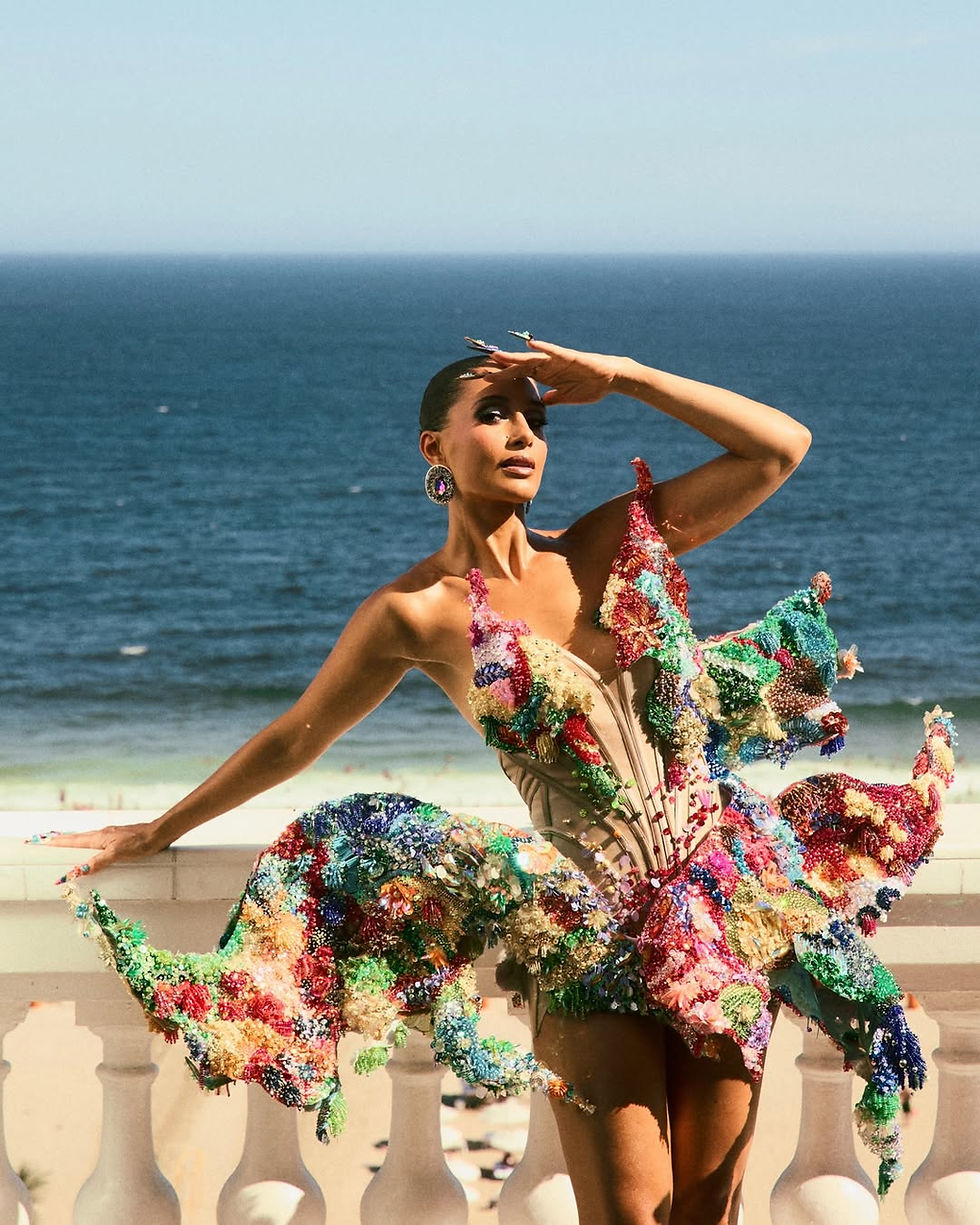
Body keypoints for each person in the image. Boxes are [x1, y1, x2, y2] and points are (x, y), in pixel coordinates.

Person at [43, 336, 954, 1225]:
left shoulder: (612, 541)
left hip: (723, 904)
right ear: (434, 447)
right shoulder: (416, 612)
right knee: (635, 1214)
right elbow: (294, 738)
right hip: (583, 926)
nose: (524, 433)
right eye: (494, 414)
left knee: (707, 1210)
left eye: (536, 419)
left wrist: (623, 375)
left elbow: (778, 446)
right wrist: (152, 830)